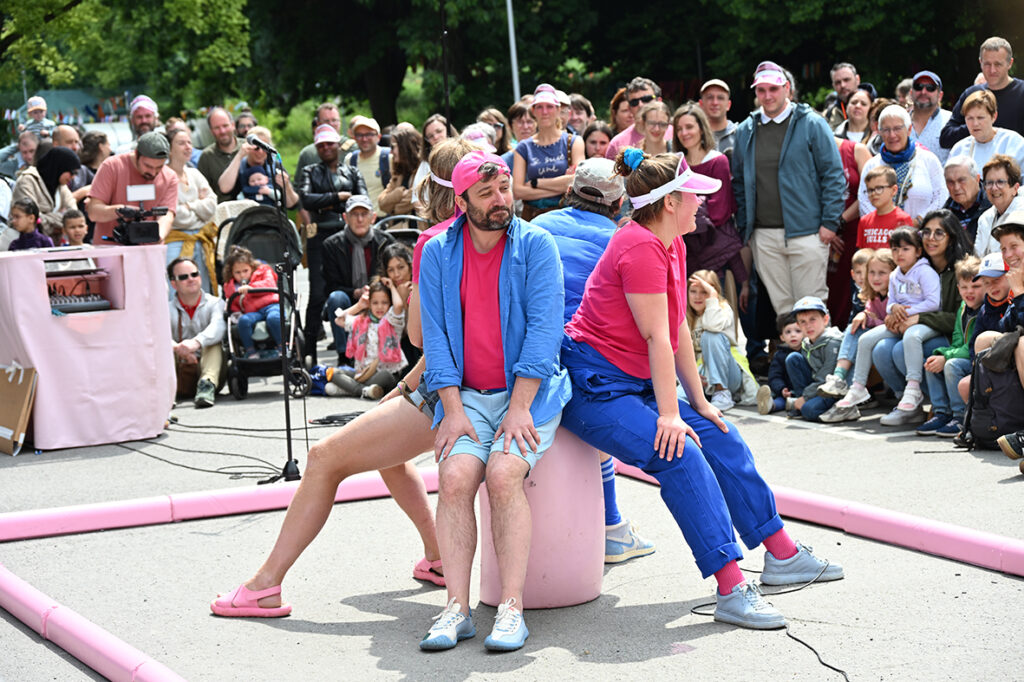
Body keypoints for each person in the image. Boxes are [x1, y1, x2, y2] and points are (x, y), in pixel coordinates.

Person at [558, 148, 843, 631]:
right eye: (693, 194)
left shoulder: (671, 241)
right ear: (670, 202)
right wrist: (671, 415)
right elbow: (656, 338)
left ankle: (782, 553)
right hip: (596, 387)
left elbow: (676, 331)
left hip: (635, 381)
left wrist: (700, 403)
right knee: (680, 453)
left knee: (721, 434)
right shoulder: (639, 245)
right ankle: (731, 588)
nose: (702, 202)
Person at [209, 141, 472, 626]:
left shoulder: (437, 241)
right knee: (389, 455)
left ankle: (265, 585)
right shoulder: (493, 235)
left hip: (451, 390)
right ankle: (437, 555)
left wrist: (413, 306)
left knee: (323, 457)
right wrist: (404, 388)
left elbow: (421, 336)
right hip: (463, 380)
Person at [417, 151, 570, 652]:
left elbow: (545, 333)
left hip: (529, 395)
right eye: (486, 193)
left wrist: (520, 407)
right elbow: (435, 338)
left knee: (504, 476)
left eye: (504, 188)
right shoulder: (438, 252)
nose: (501, 199)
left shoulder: (537, 244)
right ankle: (456, 608)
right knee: (454, 478)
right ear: (461, 203)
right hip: (465, 397)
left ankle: (511, 609)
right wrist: (452, 409)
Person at [527, 157, 656, 563]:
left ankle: (607, 527)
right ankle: (611, 526)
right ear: (619, 204)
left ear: (568, 193)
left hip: (524, 354)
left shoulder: (535, 228)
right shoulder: (622, 240)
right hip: (582, 356)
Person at [732, 60, 846, 315]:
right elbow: (738, 181)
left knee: (812, 309)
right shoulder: (745, 130)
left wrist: (830, 223)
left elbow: (833, 175)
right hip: (763, 236)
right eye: (761, 90)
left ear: (787, 89)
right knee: (784, 313)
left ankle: (818, 344)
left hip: (808, 232)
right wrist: (746, 226)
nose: (767, 95)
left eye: (773, 89)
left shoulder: (812, 123)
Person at [870, 210, 973, 426]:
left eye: (939, 233)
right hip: (915, 332)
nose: (931, 238)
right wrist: (894, 311)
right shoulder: (915, 265)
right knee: (881, 349)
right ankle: (909, 404)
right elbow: (898, 297)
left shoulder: (961, 269)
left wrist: (919, 318)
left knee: (900, 350)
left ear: (951, 236)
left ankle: (942, 407)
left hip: (948, 337)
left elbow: (960, 318)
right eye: (926, 232)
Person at [833, 227, 941, 421]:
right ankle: (858, 387)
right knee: (865, 339)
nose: (899, 254)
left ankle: (913, 387)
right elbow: (891, 302)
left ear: (918, 251)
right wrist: (894, 309)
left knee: (911, 337)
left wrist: (906, 311)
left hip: (923, 321)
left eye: (905, 249)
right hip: (900, 321)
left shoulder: (925, 272)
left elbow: (934, 303)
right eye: (895, 249)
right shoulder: (895, 275)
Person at [672, 103, 747, 314]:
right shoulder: (676, 164)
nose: (684, 133)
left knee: (715, 312)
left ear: (701, 128)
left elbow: (719, 211)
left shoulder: (717, 161)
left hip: (713, 248)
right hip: (686, 250)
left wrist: (685, 213)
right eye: (679, 129)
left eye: (689, 127)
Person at [819, 249, 896, 421]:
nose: (875, 278)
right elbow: (871, 316)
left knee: (861, 337)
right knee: (853, 328)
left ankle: (849, 388)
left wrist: (870, 318)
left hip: (894, 336)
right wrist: (865, 315)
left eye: (882, 273)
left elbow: (892, 325)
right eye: (872, 273)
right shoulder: (872, 294)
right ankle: (839, 380)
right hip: (878, 333)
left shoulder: (896, 295)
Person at [322, 195, 395, 363]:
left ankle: (387, 353)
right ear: (345, 217)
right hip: (348, 298)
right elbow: (330, 286)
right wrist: (356, 292)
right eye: (355, 214)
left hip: (378, 295)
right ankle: (344, 357)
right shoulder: (331, 245)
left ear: (373, 217)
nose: (360, 219)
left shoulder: (385, 241)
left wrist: (374, 290)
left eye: (364, 214)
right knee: (336, 298)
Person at [918, 255, 984, 436]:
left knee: (951, 365)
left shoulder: (985, 310)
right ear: (958, 288)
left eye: (976, 286)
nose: (969, 292)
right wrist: (942, 354)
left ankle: (960, 416)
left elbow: (972, 347)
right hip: (964, 354)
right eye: (964, 287)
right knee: (932, 360)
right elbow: (957, 340)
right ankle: (941, 412)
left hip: (976, 360)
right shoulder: (963, 307)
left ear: (986, 286)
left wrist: (946, 356)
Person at [858, 105, 947, 223]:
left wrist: (918, 222)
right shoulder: (872, 165)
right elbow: (864, 201)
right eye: (886, 130)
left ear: (909, 130)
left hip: (922, 231)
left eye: (897, 128)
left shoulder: (928, 160)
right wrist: (886, 225)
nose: (892, 135)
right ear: (879, 132)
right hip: (882, 231)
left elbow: (941, 196)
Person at [87, 132, 178, 244]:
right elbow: (93, 212)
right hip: (110, 247)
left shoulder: (170, 177)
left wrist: (158, 235)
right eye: (148, 166)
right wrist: (120, 210)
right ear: (136, 154)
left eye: (159, 167)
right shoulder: (112, 166)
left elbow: (167, 214)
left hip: (149, 249)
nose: (153, 172)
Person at [512, 83, 584, 221]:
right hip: (533, 218)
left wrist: (536, 183)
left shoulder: (574, 142)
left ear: (558, 109)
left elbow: (577, 181)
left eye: (549, 106)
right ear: (533, 111)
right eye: (539, 107)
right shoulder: (523, 147)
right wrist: (562, 186)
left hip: (566, 217)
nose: (544, 112)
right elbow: (518, 191)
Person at [327, 278, 407, 400]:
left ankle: (351, 389)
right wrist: (359, 306)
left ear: (389, 303)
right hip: (363, 373)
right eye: (375, 303)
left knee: (385, 375)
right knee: (333, 373)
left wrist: (391, 286)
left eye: (384, 302)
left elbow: (399, 305)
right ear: (369, 304)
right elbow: (339, 320)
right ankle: (364, 391)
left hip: (384, 374)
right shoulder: (361, 321)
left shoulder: (392, 321)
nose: (379, 307)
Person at [941, 37, 1024, 149]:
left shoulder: (1021, 92)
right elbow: (946, 138)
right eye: (987, 64)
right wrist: (976, 125)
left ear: (1010, 63)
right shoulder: (971, 94)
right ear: (980, 63)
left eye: (998, 64)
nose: (992, 70)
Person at [164, 128, 217, 293]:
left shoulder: (194, 173)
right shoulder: (163, 177)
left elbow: (212, 205)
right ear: (169, 149)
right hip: (175, 241)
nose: (188, 147)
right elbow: (175, 215)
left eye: (189, 143)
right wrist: (199, 205)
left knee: (202, 289)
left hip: (200, 240)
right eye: (181, 143)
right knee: (176, 289)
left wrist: (189, 205)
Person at [687, 270, 749, 411]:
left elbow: (712, 326)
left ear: (714, 292)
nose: (698, 297)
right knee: (679, 398)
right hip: (701, 375)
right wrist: (690, 376)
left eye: (704, 292)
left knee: (711, 335)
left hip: (728, 376)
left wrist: (712, 299)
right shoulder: (685, 316)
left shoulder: (723, 309)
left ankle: (722, 392)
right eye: (693, 291)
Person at [168, 257, 225, 408]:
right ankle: (167, 393)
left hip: (211, 369)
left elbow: (218, 327)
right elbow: (158, 335)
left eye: (194, 274)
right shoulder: (165, 309)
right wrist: (179, 349)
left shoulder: (215, 303)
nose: (191, 279)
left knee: (214, 343)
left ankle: (206, 386)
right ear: (173, 284)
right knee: (163, 347)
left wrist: (196, 343)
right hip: (179, 370)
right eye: (183, 277)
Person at [781, 296, 843, 421]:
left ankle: (843, 408)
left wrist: (805, 397)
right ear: (798, 325)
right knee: (793, 358)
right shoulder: (806, 342)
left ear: (825, 320)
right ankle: (801, 402)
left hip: (833, 389)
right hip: (818, 387)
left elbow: (826, 377)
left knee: (809, 410)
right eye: (802, 322)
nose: (808, 326)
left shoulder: (833, 342)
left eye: (812, 319)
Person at [222, 246, 283, 359]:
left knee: (274, 318)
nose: (242, 275)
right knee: (243, 321)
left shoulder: (263, 271)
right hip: (252, 311)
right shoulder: (230, 286)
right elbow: (233, 304)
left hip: (271, 305)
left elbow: (270, 284)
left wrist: (252, 287)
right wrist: (235, 314)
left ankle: (282, 346)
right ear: (232, 273)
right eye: (237, 272)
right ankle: (250, 351)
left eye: (245, 271)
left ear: (251, 267)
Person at [218, 126, 299, 209]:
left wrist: (287, 186)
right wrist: (239, 155)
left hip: (271, 214)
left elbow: (292, 205)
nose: (260, 152)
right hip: (246, 214)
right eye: (256, 148)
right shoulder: (238, 165)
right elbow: (224, 188)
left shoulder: (274, 166)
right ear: (248, 147)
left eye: (264, 148)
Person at [11, 146, 80, 240]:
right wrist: (61, 220)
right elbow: (30, 219)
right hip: (26, 242)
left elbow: (74, 216)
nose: (73, 177)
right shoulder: (27, 181)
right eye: (72, 172)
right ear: (59, 167)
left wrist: (46, 218)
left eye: (76, 174)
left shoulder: (60, 186)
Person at [948, 90, 1024, 172]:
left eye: (980, 117)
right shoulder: (959, 150)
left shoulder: (1014, 143)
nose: (975, 123)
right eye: (970, 118)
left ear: (994, 116)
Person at [605, 77, 672, 160]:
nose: (640, 105)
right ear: (629, 108)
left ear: (659, 101)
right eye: (634, 102)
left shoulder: (676, 134)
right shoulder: (617, 144)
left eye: (646, 99)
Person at [975, 154, 1024, 256]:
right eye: (989, 183)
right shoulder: (984, 218)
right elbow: (978, 256)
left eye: (1000, 182)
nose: (994, 188)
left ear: (1015, 188)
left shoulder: (1021, 214)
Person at [856, 166, 915, 249]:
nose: (873, 193)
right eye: (870, 190)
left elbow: (908, 251)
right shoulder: (864, 221)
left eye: (879, 188)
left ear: (894, 190)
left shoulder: (903, 219)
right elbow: (862, 251)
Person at [757, 312, 803, 414]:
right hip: (787, 392)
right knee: (781, 401)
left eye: (798, 331)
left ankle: (794, 404)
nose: (793, 335)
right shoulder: (779, 355)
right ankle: (769, 405)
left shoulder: (809, 351)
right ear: (782, 337)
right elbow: (774, 376)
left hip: (805, 391)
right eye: (788, 332)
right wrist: (781, 389)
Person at [197, 108, 242, 203]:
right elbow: (202, 194)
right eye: (217, 128)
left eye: (225, 126)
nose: (222, 131)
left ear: (233, 125)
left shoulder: (249, 147)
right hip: (222, 209)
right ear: (211, 131)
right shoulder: (207, 156)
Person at [346, 116, 390, 214]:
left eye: (369, 134)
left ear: (378, 137)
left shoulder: (388, 157)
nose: (364, 139)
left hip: (386, 219)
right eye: (359, 135)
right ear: (354, 138)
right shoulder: (350, 160)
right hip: (361, 220)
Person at [378, 126, 422, 222]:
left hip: (419, 228)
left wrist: (393, 209)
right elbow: (382, 203)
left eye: (392, 147)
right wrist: (400, 192)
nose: (391, 152)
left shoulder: (424, 169)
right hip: (399, 228)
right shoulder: (399, 172)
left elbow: (416, 197)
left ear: (404, 146)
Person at [908, 71, 952, 164]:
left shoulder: (951, 121)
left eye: (930, 88)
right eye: (918, 87)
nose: (923, 92)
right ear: (911, 93)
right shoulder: (900, 121)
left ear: (940, 95)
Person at [943, 155, 990, 243]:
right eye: (950, 182)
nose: (956, 187)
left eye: (961, 180)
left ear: (977, 179)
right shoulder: (945, 214)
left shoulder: (995, 206)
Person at [413, 113, 455, 206]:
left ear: (448, 129)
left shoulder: (466, 156)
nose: (436, 137)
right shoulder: (426, 164)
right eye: (430, 136)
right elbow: (417, 199)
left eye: (439, 131)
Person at [698, 79, 737, 157]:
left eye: (720, 98)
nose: (715, 102)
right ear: (701, 104)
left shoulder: (741, 134)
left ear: (728, 105)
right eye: (710, 97)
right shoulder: (694, 137)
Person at [824, 63, 862, 130]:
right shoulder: (827, 115)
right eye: (837, 82)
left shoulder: (874, 109)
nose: (842, 85)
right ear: (833, 86)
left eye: (846, 80)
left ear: (857, 79)